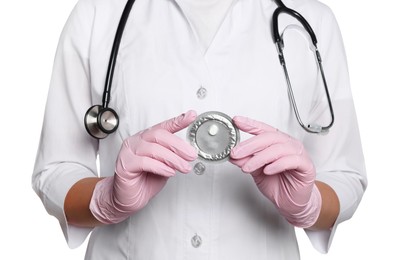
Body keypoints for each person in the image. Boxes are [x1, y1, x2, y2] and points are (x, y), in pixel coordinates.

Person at [32, 0, 367, 259]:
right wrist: (107, 198)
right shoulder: (98, 14)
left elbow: (345, 175)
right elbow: (55, 170)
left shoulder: (309, 20)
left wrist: (307, 203)